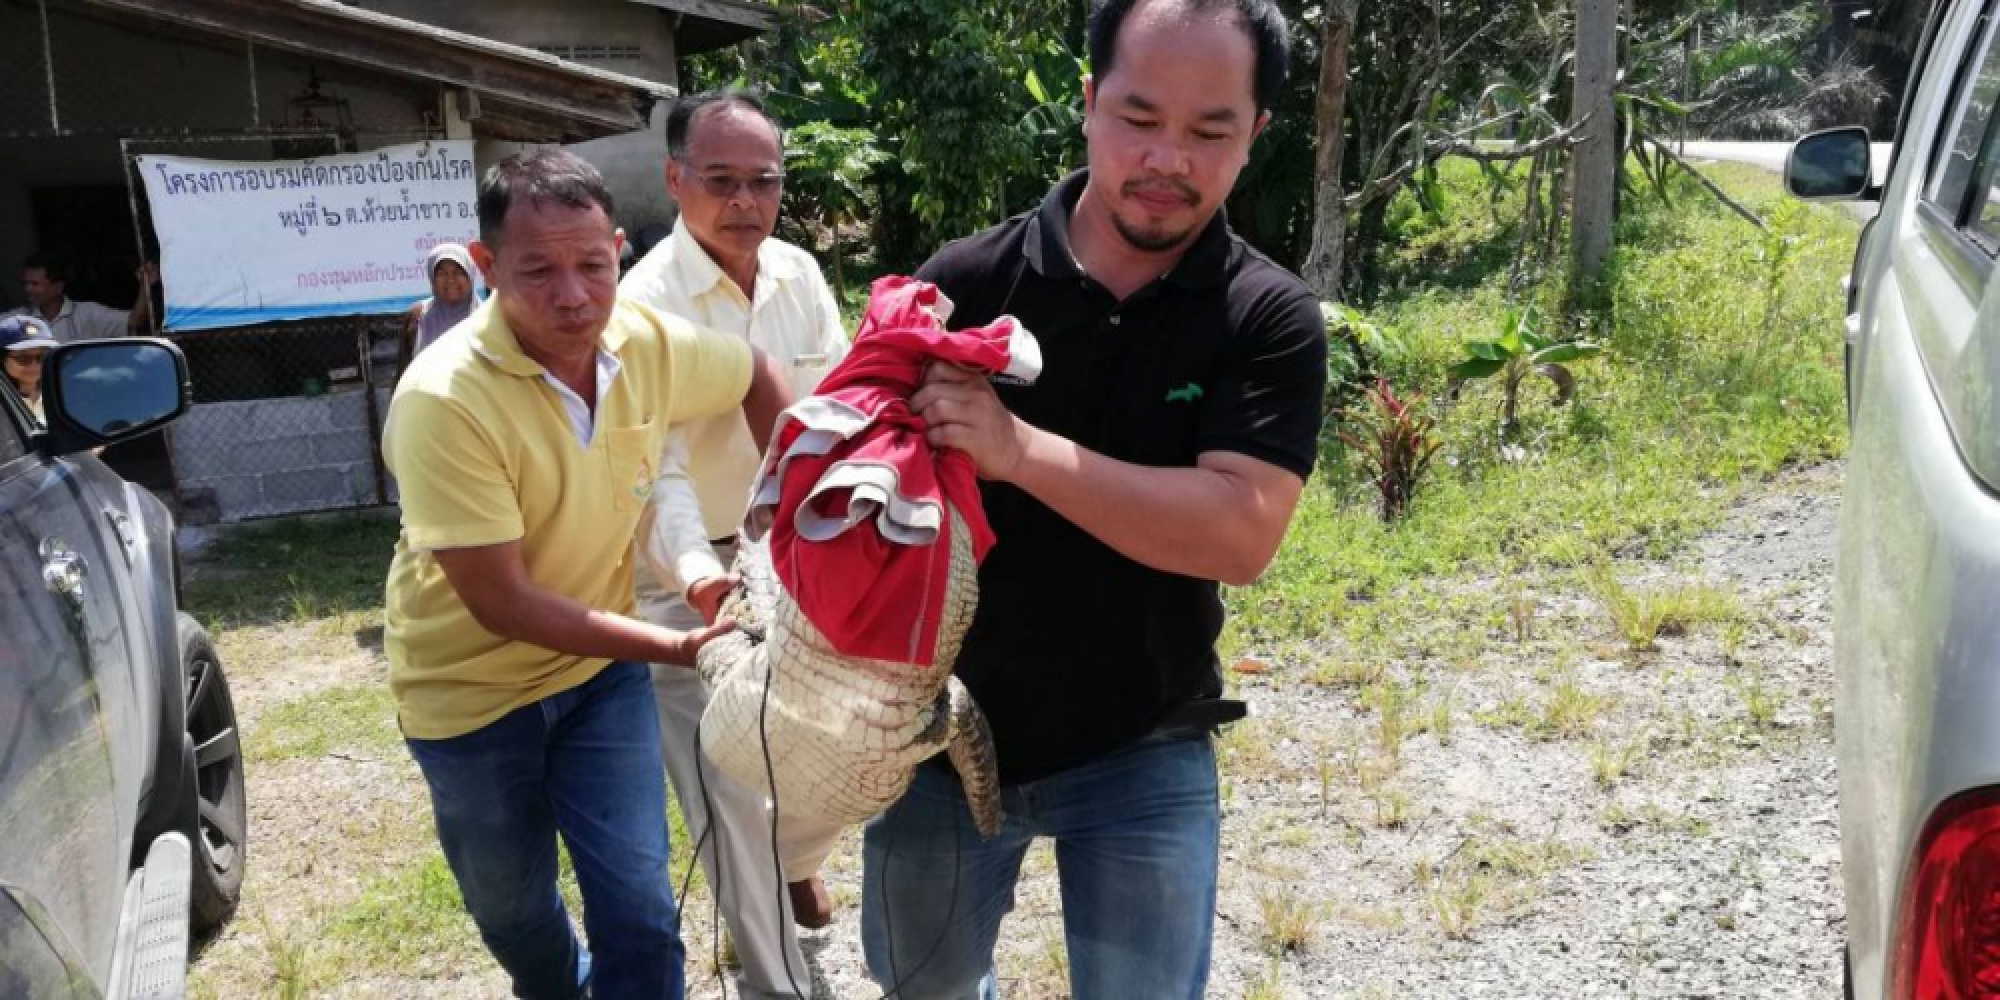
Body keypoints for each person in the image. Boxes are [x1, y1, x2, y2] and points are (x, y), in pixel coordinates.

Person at [863, 1, 1328, 997]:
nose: (1167, 158)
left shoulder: (1267, 318)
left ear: (1254, 135)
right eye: (1137, 117)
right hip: (938, 740)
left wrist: (1015, 447)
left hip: (1141, 744)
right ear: (1085, 105)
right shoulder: (966, 283)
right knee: (922, 989)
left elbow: (1238, 533)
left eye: (1209, 131)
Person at [380, 149, 792, 1000]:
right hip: (468, 699)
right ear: (486, 265)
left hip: (598, 678)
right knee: (515, 913)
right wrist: (681, 648)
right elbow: (503, 602)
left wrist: (782, 526)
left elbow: (755, 373)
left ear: (617, 251)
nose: (573, 296)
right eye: (537, 271)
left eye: (592, 266)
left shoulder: (639, 342)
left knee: (640, 906)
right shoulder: (443, 398)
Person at [619, 88, 851, 1000]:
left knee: (827, 753)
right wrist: (704, 576)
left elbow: (833, 415)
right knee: (726, 790)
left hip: (796, 557)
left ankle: (797, 855)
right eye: (721, 180)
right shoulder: (643, 304)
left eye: (764, 181)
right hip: (690, 575)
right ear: (675, 179)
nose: (745, 201)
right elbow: (658, 472)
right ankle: (778, 982)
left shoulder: (798, 273)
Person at [7, 253, 153, 342]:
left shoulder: (88, 313)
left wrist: (145, 284)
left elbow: (134, 321)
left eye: (35, 284)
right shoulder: (20, 318)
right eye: (25, 283)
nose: (28, 289)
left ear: (58, 287)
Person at [395, 242, 479, 377]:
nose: (450, 280)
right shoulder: (418, 317)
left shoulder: (486, 318)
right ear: (432, 279)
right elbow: (402, 374)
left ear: (470, 275)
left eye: (458, 272)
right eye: (442, 273)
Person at [0, 315, 58, 423]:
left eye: (42, 357)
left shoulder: (61, 393)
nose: (34, 365)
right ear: (2, 359)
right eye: (23, 358)